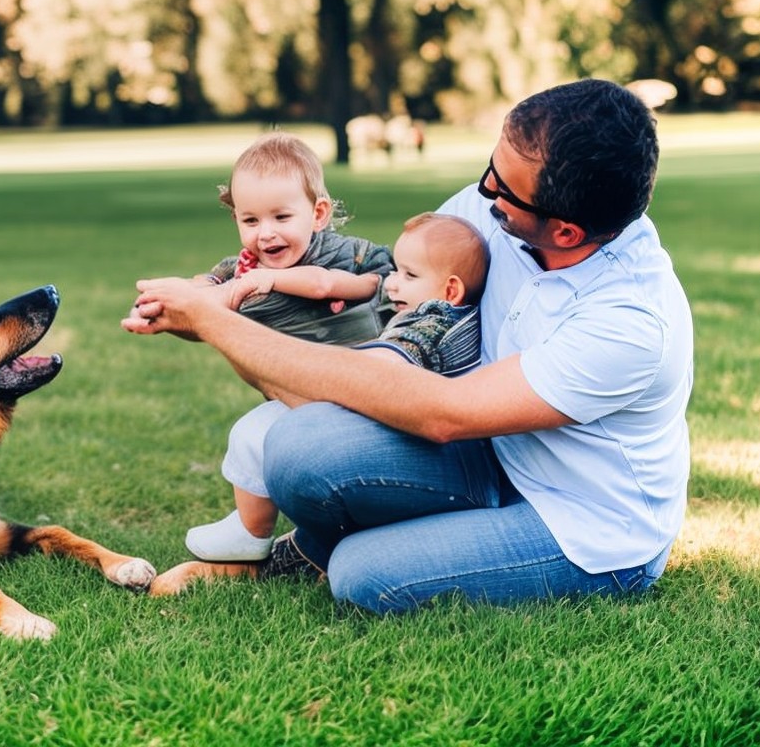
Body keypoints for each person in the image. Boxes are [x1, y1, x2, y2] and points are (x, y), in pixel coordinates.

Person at [123, 78, 694, 614]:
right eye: (490, 168)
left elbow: (438, 413)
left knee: (363, 575)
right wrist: (234, 297)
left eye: (502, 187)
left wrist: (218, 326)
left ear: (566, 231)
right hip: (493, 453)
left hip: (582, 525)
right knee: (297, 444)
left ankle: (324, 554)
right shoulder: (490, 212)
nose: (483, 191)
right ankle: (331, 547)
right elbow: (389, 320)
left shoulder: (629, 320)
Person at [184, 212, 489, 563]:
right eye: (395, 271)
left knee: (255, 433)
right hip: (414, 433)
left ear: (450, 289)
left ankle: (253, 531)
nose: (391, 284)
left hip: (418, 441)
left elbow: (379, 376)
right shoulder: (447, 313)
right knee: (260, 428)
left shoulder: (431, 324)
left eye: (408, 275)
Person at [166, 131, 395, 345]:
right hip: (292, 377)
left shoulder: (349, 255)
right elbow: (205, 300)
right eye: (251, 221)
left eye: (282, 217)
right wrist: (174, 296)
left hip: (364, 371)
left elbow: (334, 285)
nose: (266, 234)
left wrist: (270, 279)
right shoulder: (241, 269)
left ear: (318, 214)